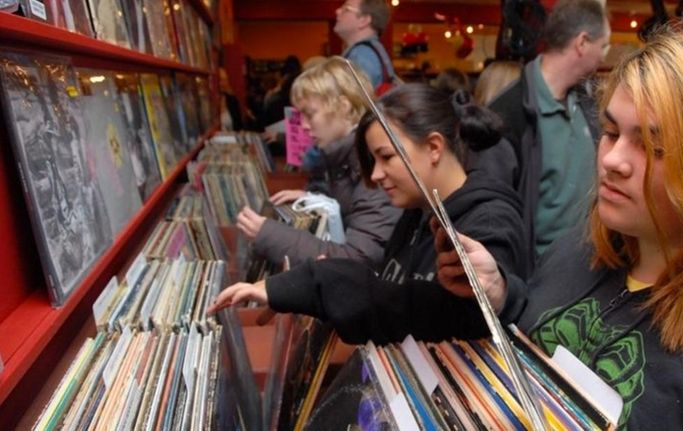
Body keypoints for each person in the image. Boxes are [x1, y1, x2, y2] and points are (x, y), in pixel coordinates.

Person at [433, 27, 683, 428]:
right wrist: (504, 295)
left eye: (653, 146)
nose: (613, 159)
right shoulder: (575, 251)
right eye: (611, 132)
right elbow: (544, 331)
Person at [209, 83, 528, 345]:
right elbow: (392, 289)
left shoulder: (487, 221)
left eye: (386, 157)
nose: (375, 175)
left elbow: (442, 313)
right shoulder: (418, 212)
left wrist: (317, 285)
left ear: (433, 147)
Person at [236, 57, 401, 268]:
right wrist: (316, 199)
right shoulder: (347, 155)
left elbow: (357, 260)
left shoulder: (374, 165)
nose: (303, 126)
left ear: (344, 107)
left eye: (309, 114)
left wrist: (268, 235)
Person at [489, 0, 610, 263]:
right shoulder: (508, 112)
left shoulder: (590, 106)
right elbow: (491, 213)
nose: (604, 57)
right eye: (603, 46)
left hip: (591, 266)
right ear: (582, 43)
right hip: (536, 276)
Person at [335, 0, 395, 89]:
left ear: (364, 20)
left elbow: (354, 100)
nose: (337, 11)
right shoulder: (369, 51)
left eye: (346, 9)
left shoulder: (362, 55)